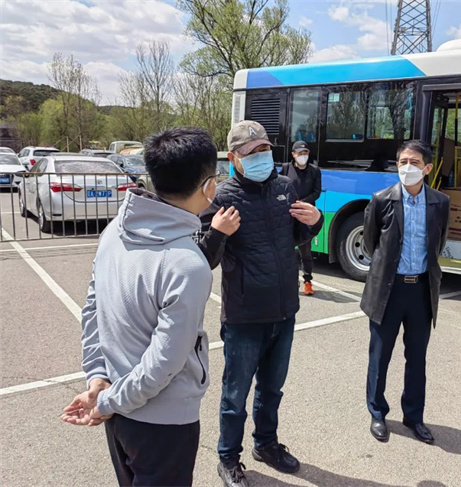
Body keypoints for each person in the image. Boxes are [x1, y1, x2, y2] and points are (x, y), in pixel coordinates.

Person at [60, 128, 241, 486]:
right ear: (208, 186)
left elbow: (92, 311)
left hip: (117, 406)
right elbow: (164, 364)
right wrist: (106, 400)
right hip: (163, 422)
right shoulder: (187, 264)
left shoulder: (115, 230)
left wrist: (99, 380)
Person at [199, 121, 323, 487]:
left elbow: (298, 235)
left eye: (265, 148)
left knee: (272, 389)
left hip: (284, 311)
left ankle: (266, 444)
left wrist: (315, 223)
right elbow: (203, 258)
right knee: (235, 395)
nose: (261, 155)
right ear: (234, 158)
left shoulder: (285, 187)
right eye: (252, 152)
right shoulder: (221, 197)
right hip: (244, 316)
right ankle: (228, 457)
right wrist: (217, 233)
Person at [361, 140, 450, 445]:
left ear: (427, 168)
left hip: (421, 290)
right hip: (388, 289)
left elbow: (438, 243)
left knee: (417, 358)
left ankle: (414, 416)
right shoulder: (382, 199)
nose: (407, 167)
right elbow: (370, 244)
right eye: (402, 162)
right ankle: (377, 412)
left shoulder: (440, 202)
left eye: (414, 162)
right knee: (380, 356)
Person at [280, 140, 322, 295]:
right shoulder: (286, 168)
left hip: (305, 215)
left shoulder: (314, 171)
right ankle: (290, 280)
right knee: (287, 249)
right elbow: (278, 186)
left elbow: (317, 192)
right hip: (289, 214)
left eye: (305, 153)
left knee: (306, 250)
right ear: (293, 154)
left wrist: (303, 203)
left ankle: (308, 281)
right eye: (299, 153)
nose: (302, 156)